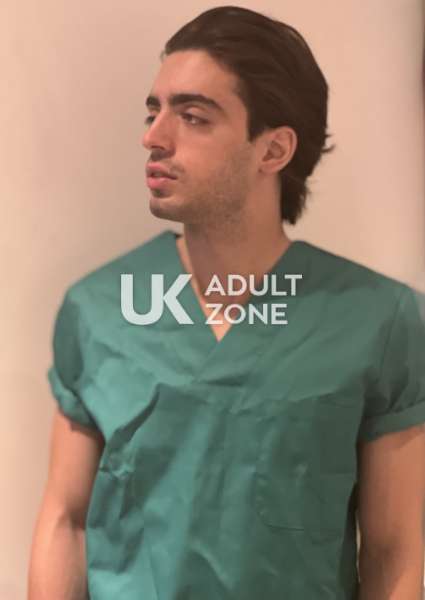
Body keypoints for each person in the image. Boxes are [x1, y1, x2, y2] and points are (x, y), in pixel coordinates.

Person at [28, 6, 425, 599]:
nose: (153, 137)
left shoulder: (379, 321)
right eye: (154, 111)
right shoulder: (98, 310)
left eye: (193, 116)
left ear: (273, 150)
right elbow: (67, 521)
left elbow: (395, 553)